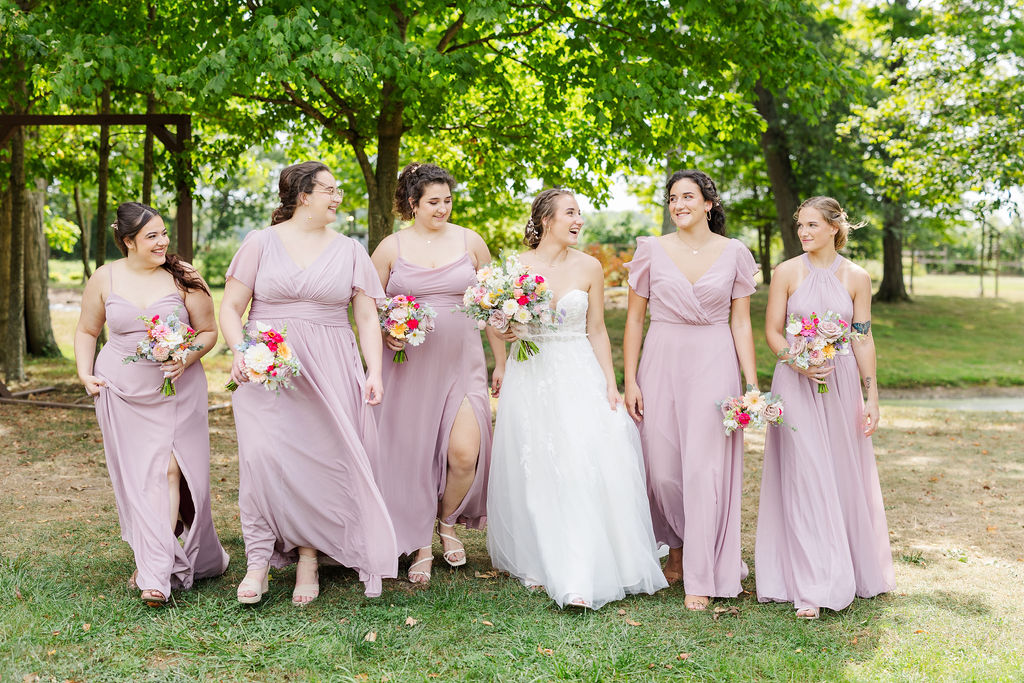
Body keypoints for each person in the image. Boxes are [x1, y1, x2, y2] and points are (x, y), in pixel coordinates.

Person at [220, 161, 397, 604]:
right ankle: (258, 561)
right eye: (330, 191)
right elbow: (231, 307)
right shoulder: (260, 243)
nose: (337, 198)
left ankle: (308, 559)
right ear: (303, 195)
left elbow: (366, 317)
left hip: (330, 365)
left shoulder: (351, 251)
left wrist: (373, 370)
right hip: (269, 365)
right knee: (262, 460)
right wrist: (239, 349)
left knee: (320, 461)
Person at [487, 188, 668, 610]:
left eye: (580, 213)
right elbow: (496, 323)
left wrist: (611, 381)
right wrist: (507, 333)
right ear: (546, 219)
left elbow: (598, 329)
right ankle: (541, 555)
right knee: (536, 465)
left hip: (577, 369)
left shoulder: (590, 266)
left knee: (585, 457)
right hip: (531, 371)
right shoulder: (515, 267)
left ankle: (586, 566)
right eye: (570, 213)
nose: (579, 220)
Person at [75, 201, 229, 605]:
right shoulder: (105, 277)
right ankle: (159, 559)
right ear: (128, 242)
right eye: (152, 236)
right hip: (122, 390)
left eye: (163, 233)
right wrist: (84, 372)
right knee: (141, 478)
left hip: (176, 389)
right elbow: (88, 330)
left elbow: (208, 332)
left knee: (169, 471)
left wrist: (185, 356)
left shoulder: (183, 276)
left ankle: (157, 573)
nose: (162, 242)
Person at [623, 169, 759, 611]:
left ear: (708, 204)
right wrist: (631, 378)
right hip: (661, 359)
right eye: (672, 197)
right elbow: (634, 321)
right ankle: (676, 549)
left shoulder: (735, 253)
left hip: (714, 362)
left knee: (705, 470)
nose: (678, 204)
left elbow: (741, 321)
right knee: (662, 470)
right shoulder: (651, 250)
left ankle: (700, 572)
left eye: (687, 196)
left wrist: (753, 385)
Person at [755, 196, 893, 619]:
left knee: (838, 472)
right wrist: (799, 362)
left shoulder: (857, 277)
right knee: (805, 472)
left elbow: (863, 338)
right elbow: (772, 332)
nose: (804, 232)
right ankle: (812, 585)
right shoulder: (786, 272)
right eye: (801, 225)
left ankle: (844, 565)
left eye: (813, 225)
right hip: (794, 383)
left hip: (842, 382)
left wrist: (871, 395)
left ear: (835, 227)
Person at [370, 163, 500, 583]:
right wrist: (387, 334)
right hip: (408, 367)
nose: (442, 208)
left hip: (463, 361)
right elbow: (367, 307)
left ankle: (447, 521)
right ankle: (421, 541)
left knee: (465, 453)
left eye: (447, 200)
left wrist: (502, 362)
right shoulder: (391, 248)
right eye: (433, 202)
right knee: (411, 455)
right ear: (413, 203)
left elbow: (495, 303)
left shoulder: (471, 241)